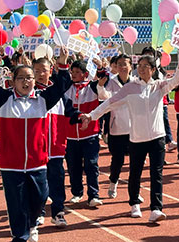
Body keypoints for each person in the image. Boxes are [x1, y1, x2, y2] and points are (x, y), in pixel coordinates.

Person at [0, 46, 71, 242]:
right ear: (13, 81)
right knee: (16, 203)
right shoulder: (4, 100)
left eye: (29, 78)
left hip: (37, 161)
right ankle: (20, 235)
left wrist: (62, 63)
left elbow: (61, 85)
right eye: (21, 78)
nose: (26, 81)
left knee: (40, 197)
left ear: (34, 81)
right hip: (12, 163)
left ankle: (33, 222)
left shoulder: (43, 100)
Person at [81, 51, 179, 222]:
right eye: (140, 66)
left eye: (146, 66)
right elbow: (109, 103)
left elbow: (175, 80)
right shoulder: (130, 88)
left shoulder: (159, 86)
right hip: (137, 138)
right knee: (135, 172)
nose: (142, 69)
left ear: (153, 69)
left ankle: (156, 208)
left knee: (156, 173)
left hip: (157, 137)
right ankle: (134, 204)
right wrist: (91, 115)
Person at [34, 55, 81, 229]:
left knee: (57, 180)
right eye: (36, 71)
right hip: (36, 148)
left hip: (55, 147)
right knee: (39, 183)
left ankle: (58, 212)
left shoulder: (59, 94)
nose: (40, 74)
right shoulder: (31, 94)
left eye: (43, 71)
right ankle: (38, 212)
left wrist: (81, 117)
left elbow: (70, 112)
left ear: (50, 71)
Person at [62, 57, 103, 207]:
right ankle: (76, 192)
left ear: (85, 74)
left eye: (77, 72)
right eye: (72, 72)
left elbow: (104, 80)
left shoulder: (92, 88)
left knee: (91, 165)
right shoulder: (67, 88)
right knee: (73, 166)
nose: (73, 74)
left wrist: (100, 67)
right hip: (71, 136)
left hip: (90, 134)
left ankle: (93, 195)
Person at [96, 54, 137, 199]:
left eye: (125, 64)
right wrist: (100, 87)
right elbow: (104, 98)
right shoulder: (111, 82)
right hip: (117, 129)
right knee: (117, 161)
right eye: (119, 64)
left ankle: (134, 193)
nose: (122, 67)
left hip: (134, 130)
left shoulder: (136, 83)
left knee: (135, 163)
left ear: (131, 66)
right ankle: (113, 182)